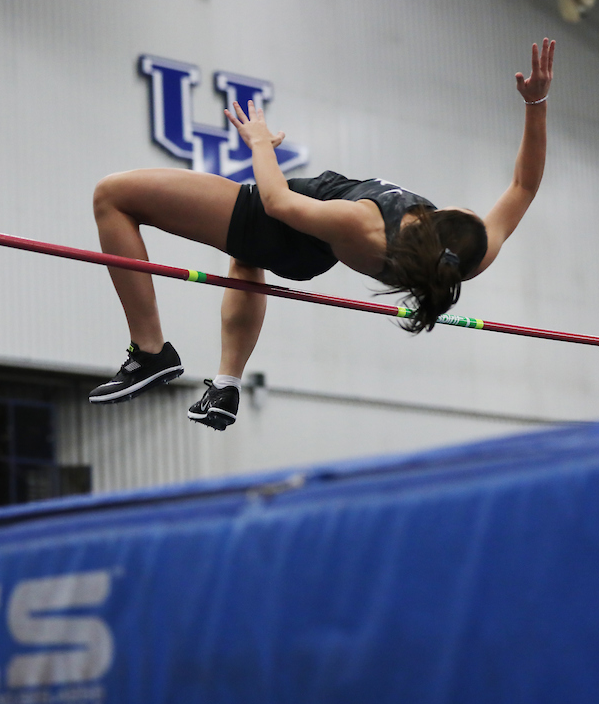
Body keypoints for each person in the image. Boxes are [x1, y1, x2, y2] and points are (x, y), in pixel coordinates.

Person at [89, 38, 556, 430]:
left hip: (279, 219)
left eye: (459, 210)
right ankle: (226, 386)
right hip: (305, 246)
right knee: (245, 258)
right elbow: (524, 186)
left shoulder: (366, 226)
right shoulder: (469, 255)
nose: (462, 206)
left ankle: (150, 351)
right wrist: (536, 104)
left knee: (114, 195)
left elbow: (278, 202)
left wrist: (259, 144)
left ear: (432, 224)